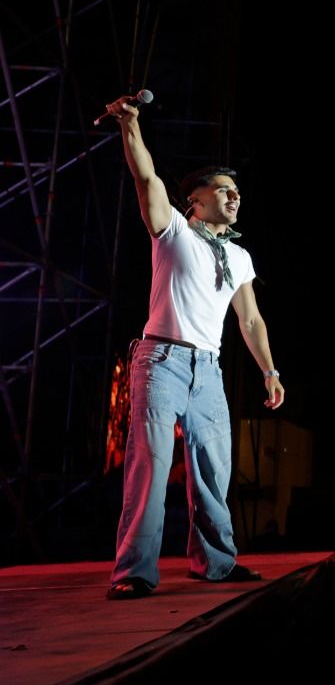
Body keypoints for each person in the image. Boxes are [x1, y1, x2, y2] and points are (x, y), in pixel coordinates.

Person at [104, 96, 283, 600]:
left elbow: (249, 318)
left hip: (208, 367)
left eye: (237, 191)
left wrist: (270, 371)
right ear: (196, 202)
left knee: (213, 468)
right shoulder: (174, 232)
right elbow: (147, 181)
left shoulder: (240, 256)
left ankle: (216, 564)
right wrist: (131, 126)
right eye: (222, 190)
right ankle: (134, 571)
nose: (234, 196)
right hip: (161, 360)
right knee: (152, 464)